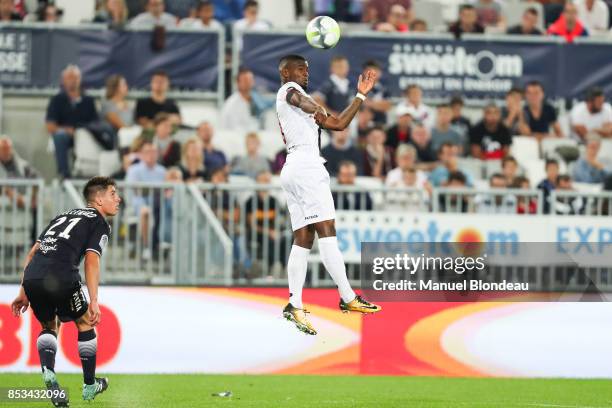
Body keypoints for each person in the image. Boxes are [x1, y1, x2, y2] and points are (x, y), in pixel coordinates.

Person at [276, 54, 381, 335]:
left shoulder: (306, 108)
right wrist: (316, 107)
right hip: (306, 167)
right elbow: (300, 101)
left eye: (307, 71)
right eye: (300, 69)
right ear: (285, 72)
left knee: (303, 237)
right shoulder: (289, 91)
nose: (305, 74)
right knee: (327, 229)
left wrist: (360, 95)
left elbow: (339, 124)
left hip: (294, 168)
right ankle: (347, 297)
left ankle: (294, 304)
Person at [11, 177, 120, 405]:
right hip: (61, 275)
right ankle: (90, 385)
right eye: (112, 194)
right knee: (85, 323)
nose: (118, 199)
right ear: (98, 199)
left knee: (49, 325)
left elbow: (32, 254)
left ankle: (48, 372)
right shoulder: (100, 223)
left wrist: (23, 292)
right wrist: (94, 300)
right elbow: (91, 261)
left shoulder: (62, 216)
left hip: (33, 277)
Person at [46, 65, 99, 179]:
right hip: (66, 136)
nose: (72, 81)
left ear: (80, 79)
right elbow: (50, 126)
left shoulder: (88, 100)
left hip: (85, 135)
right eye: (69, 77)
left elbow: (96, 124)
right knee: (59, 136)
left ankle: (89, 176)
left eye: (75, 77)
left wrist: (81, 131)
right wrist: (67, 130)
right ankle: (64, 175)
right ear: (63, 80)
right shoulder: (56, 100)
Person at [126, 142, 166, 258]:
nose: (151, 155)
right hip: (138, 202)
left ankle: (164, 242)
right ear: (142, 154)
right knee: (145, 211)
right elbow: (133, 191)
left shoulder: (162, 171)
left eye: (153, 152)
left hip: (158, 203)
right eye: (147, 152)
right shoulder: (134, 169)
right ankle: (146, 246)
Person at [361, 60, 392, 125]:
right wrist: (378, 104)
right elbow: (354, 106)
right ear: (364, 72)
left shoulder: (384, 90)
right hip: (362, 124)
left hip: (380, 124)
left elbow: (387, 106)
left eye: (375, 71)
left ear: (380, 73)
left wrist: (369, 103)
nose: (372, 74)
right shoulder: (359, 87)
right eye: (369, 71)